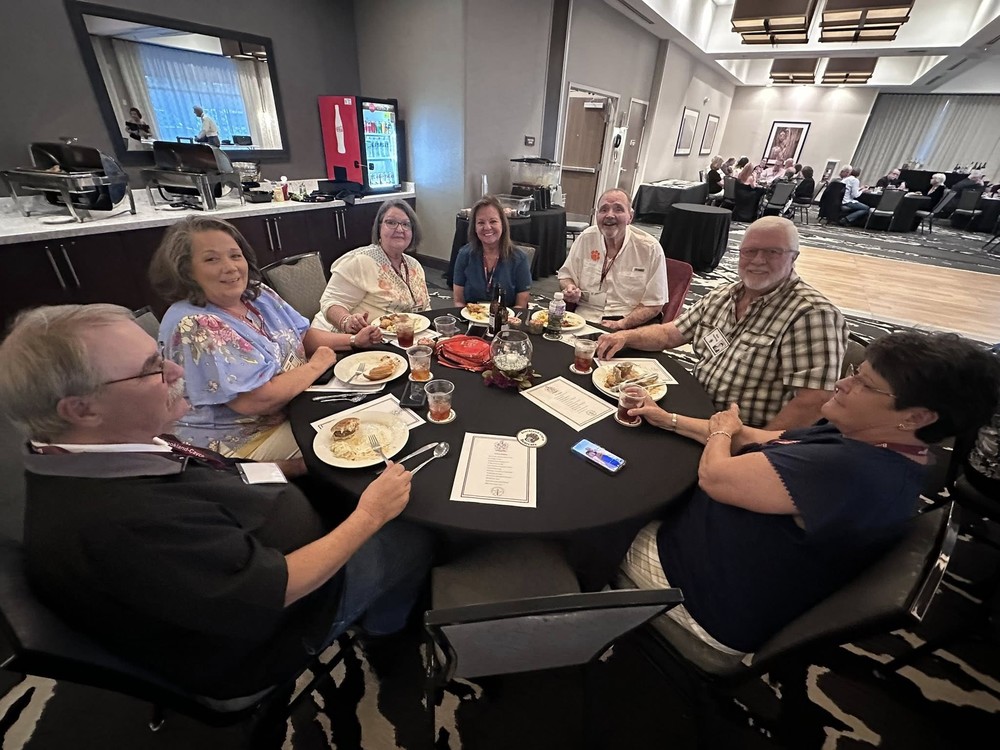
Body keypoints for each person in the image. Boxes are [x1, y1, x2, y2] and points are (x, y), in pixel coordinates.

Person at [0, 303, 434, 700]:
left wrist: (302, 468)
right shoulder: (121, 523)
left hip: (260, 535)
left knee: (350, 484)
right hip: (278, 628)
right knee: (416, 535)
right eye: (152, 370)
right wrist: (371, 515)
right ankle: (384, 636)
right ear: (82, 410)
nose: (176, 370)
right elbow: (275, 590)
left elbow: (222, 473)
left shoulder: (111, 446)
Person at [617, 330, 1000, 655]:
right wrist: (666, 418)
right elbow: (754, 437)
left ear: (916, 417)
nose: (842, 384)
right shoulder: (865, 432)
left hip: (704, 598)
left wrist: (720, 430)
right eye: (855, 372)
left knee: (607, 525)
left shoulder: (854, 472)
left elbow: (715, 476)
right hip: (724, 555)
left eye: (864, 384)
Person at [150, 216, 382, 464]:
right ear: (185, 271)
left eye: (235, 255)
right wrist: (317, 365)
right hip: (242, 439)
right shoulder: (195, 323)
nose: (230, 267)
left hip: (295, 403)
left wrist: (353, 340)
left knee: (373, 406)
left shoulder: (255, 294)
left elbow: (302, 334)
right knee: (362, 442)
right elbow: (257, 400)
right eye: (211, 259)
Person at [597, 216, 847, 429]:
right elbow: (670, 334)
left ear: (794, 257)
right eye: (750, 251)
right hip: (693, 406)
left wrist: (755, 447)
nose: (758, 260)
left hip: (742, 430)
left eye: (772, 252)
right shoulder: (723, 295)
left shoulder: (813, 314)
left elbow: (813, 402)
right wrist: (625, 336)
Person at [312, 199, 431, 334]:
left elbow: (425, 309)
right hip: (345, 338)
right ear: (379, 228)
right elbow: (330, 302)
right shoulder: (360, 261)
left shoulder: (414, 265)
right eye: (391, 222)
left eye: (406, 224)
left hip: (397, 338)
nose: (399, 229)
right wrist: (346, 321)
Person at [556, 188, 667, 330]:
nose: (609, 215)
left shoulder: (649, 248)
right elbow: (566, 276)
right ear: (597, 215)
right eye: (603, 210)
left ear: (630, 216)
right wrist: (569, 287)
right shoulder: (586, 238)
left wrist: (621, 324)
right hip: (583, 319)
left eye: (618, 209)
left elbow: (654, 305)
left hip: (629, 324)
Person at [452, 194, 532, 308]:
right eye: (481, 222)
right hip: (470, 316)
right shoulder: (464, 255)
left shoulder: (520, 258)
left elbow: (521, 306)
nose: (487, 227)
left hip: (507, 317)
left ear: (503, 224)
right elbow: (459, 301)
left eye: (493, 221)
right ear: (474, 227)